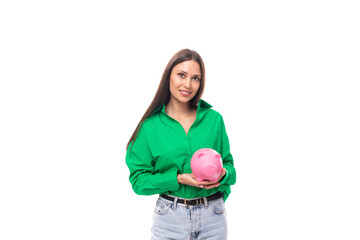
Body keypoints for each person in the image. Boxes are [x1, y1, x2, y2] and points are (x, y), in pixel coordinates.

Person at [125, 49, 236, 240]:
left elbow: (231, 170)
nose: (188, 84)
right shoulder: (149, 127)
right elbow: (138, 182)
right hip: (170, 220)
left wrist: (223, 173)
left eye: (196, 78)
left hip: (213, 219)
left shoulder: (214, 119)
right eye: (181, 75)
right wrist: (178, 179)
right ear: (169, 76)